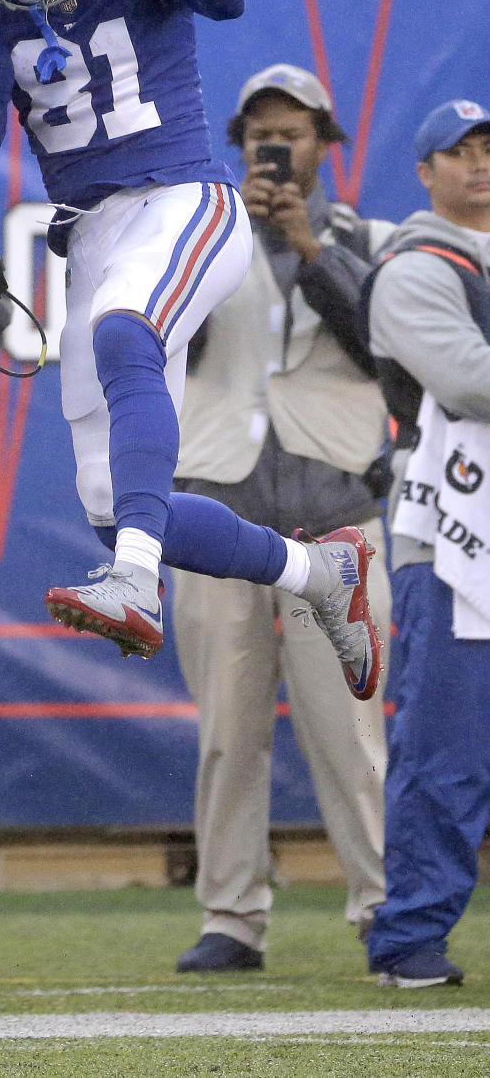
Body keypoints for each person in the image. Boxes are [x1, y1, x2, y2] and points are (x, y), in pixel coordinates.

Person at [0, 0, 382, 706]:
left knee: (124, 331)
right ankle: (317, 573)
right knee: (115, 507)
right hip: (94, 230)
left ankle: (141, 585)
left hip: (181, 197)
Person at [170, 64, 394, 972]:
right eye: (263, 132)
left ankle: (387, 909)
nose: (279, 147)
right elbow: (164, 342)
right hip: (220, 507)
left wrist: (310, 245)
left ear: (324, 146)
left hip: (339, 508)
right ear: (239, 144)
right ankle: (231, 916)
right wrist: (223, 242)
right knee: (228, 726)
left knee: (352, 729)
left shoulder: (370, 240)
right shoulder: (201, 238)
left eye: (295, 132)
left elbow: (387, 345)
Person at [363, 98, 490, 988]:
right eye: (460, 150)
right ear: (424, 170)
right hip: (452, 532)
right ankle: (409, 934)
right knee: (446, 746)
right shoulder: (416, 264)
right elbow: (467, 379)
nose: (479, 162)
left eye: (488, 148)